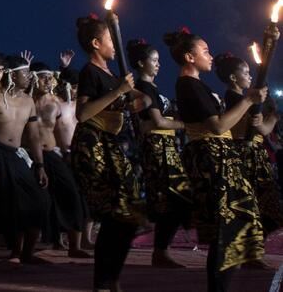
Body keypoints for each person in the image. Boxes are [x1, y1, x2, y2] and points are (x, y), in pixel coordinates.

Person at [170, 28, 265, 292]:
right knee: (226, 231)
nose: (210, 56)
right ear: (190, 57)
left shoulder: (197, 84)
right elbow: (217, 126)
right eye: (205, 51)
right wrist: (247, 101)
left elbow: (227, 127)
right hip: (211, 160)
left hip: (220, 156)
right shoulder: (188, 85)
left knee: (230, 230)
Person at [71, 16, 144, 292]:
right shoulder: (89, 71)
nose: (115, 45)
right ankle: (104, 281)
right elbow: (83, 113)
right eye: (110, 40)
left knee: (130, 213)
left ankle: (111, 278)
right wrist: (121, 91)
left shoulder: (112, 75)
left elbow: (138, 98)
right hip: (93, 146)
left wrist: (138, 96)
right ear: (96, 43)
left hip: (112, 146)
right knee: (115, 215)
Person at [0, 53, 50, 266]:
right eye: (25, 73)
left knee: (39, 201)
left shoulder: (28, 101)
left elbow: (34, 135)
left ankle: (26, 253)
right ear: (11, 75)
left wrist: (39, 165)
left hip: (16, 155)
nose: (30, 77)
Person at [126, 39, 190, 268]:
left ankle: (160, 248)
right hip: (157, 147)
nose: (158, 65)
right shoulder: (144, 88)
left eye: (159, 61)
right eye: (154, 60)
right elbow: (157, 121)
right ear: (141, 63)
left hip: (165, 146)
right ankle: (158, 248)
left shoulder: (151, 88)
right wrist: (187, 125)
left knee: (173, 199)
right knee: (171, 198)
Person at [216, 53, 283, 241]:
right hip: (247, 154)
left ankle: (251, 248)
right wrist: (272, 118)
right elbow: (262, 129)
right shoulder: (238, 100)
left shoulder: (237, 99)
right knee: (262, 206)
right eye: (245, 73)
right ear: (233, 78)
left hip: (249, 152)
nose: (250, 76)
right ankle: (250, 246)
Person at [30, 63, 90, 259]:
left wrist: (66, 154)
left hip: (51, 154)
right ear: (33, 77)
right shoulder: (25, 100)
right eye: (43, 77)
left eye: (50, 77)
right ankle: (26, 250)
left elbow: (66, 127)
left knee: (71, 195)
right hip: (28, 154)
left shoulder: (57, 103)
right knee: (39, 201)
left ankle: (75, 245)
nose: (48, 81)